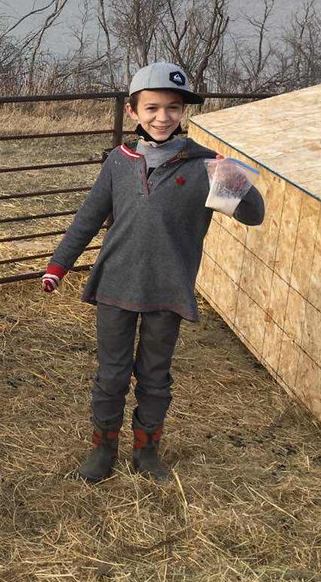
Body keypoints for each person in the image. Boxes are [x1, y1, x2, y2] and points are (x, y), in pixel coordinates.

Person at [40, 62, 264, 483]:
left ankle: (146, 452)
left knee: (155, 374)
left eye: (173, 108)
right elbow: (88, 218)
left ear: (183, 112)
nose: (163, 117)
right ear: (133, 111)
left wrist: (233, 178)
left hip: (168, 288)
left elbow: (254, 215)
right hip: (116, 286)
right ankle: (102, 451)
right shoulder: (118, 163)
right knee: (111, 372)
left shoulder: (202, 167)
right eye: (153, 108)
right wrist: (59, 265)